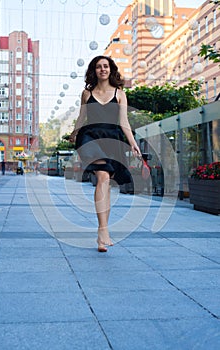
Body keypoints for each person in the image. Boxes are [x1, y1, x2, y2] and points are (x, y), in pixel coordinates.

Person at [69, 56, 141, 252]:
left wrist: (133, 143)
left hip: (112, 139)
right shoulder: (86, 93)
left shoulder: (120, 94)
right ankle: (103, 229)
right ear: (94, 70)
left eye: (106, 66)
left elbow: (124, 122)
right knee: (102, 176)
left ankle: (102, 236)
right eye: (99, 66)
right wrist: (74, 134)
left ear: (111, 69)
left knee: (106, 183)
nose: (103, 69)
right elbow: (81, 117)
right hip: (90, 137)